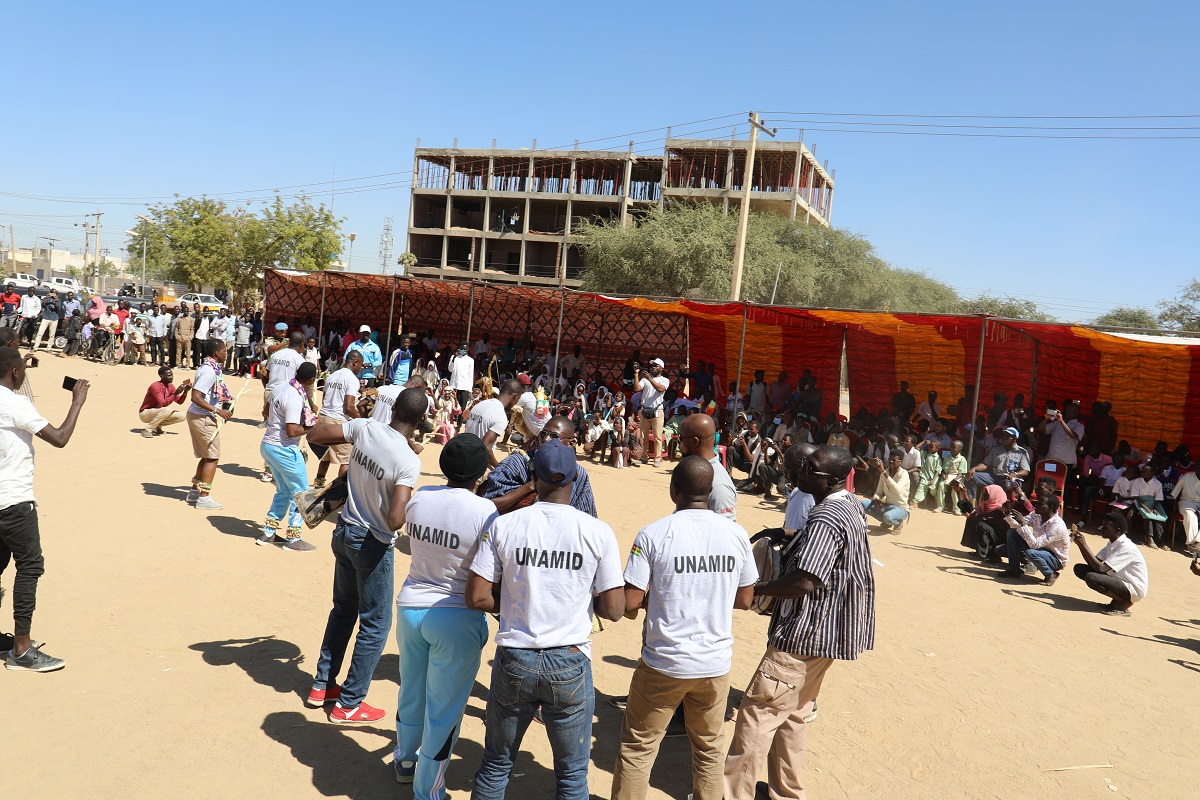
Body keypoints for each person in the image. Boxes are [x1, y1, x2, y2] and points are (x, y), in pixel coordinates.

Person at [465, 439, 626, 800]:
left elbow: (476, 596)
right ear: (575, 478)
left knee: (495, 765)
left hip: (514, 657)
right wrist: (584, 599)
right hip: (569, 659)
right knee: (571, 777)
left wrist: (515, 602)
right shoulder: (597, 532)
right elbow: (614, 609)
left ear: (533, 478)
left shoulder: (504, 525)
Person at [725, 445, 875, 800]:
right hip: (830, 634)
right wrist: (789, 535)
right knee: (793, 714)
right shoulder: (848, 504)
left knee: (758, 714)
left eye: (811, 466)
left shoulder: (825, 517)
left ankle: (731, 794)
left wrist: (756, 588)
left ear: (831, 478)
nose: (801, 468)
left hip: (804, 634)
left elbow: (805, 581)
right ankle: (785, 793)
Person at [610, 456, 757, 800]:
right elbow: (747, 599)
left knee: (638, 749)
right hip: (715, 666)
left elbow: (630, 601)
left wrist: (661, 596)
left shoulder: (653, 534)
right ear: (709, 492)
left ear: (674, 490)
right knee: (708, 750)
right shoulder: (736, 534)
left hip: (663, 663)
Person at [306, 386, 425, 723]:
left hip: (343, 529)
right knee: (375, 624)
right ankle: (349, 703)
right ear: (419, 421)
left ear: (394, 409)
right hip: (372, 543)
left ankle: (322, 686)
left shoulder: (366, 427)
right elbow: (394, 519)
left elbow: (317, 434)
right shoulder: (407, 460)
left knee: (343, 611)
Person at [392, 434, 496, 791]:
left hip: (410, 606)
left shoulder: (421, 497)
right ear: (481, 473)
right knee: (445, 710)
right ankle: (429, 790)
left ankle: (404, 759)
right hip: (454, 615)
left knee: (412, 690)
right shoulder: (485, 511)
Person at [0, 348, 88, 672]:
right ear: (13, 373)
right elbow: (60, 437)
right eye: (22, 366)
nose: (25, 370)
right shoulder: (15, 403)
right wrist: (77, 401)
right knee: (30, 566)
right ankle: (21, 649)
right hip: (13, 500)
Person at [480, 416, 597, 516]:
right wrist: (529, 487)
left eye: (554, 436)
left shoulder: (579, 474)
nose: (546, 439)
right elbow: (486, 507)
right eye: (543, 434)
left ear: (571, 443)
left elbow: (587, 515)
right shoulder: (516, 464)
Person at [258, 361, 318, 551]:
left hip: (269, 444)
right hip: (284, 448)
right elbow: (292, 431)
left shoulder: (282, 386)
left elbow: (265, 411)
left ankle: (268, 532)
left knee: (283, 490)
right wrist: (311, 426)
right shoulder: (294, 396)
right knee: (300, 492)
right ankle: (294, 538)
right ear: (311, 380)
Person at [185, 339, 233, 510]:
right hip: (202, 417)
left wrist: (224, 406)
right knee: (212, 456)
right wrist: (217, 410)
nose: (226, 354)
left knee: (206, 455)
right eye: (225, 351)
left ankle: (194, 492)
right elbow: (196, 397)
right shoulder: (209, 372)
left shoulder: (211, 368)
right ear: (216, 354)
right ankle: (204, 497)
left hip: (199, 416)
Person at [1070, 514, 1148, 617]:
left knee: (1091, 577)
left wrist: (1084, 545)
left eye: (1106, 528)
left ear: (1117, 531)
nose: (1102, 529)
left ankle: (1123, 602)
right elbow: (1094, 562)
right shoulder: (1112, 543)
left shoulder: (1126, 547)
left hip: (1133, 588)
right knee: (1080, 569)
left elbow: (1101, 568)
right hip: (1119, 581)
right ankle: (1117, 600)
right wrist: (1080, 545)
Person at [312, 350, 363, 489]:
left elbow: (324, 399)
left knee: (326, 453)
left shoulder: (332, 376)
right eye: (361, 365)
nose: (360, 369)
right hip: (338, 420)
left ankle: (319, 481)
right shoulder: (352, 379)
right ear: (355, 362)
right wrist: (363, 421)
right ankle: (339, 489)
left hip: (323, 417)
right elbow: (350, 407)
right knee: (346, 458)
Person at [998, 494, 1069, 585]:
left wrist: (1023, 524)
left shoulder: (1057, 526)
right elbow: (1017, 525)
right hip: (1039, 548)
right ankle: (1014, 570)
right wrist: (1008, 514)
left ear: (1050, 508)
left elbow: (1034, 544)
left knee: (1031, 552)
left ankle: (1050, 574)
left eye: (1040, 504)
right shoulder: (1036, 515)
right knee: (1012, 533)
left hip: (1055, 558)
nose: (1036, 506)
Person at [678, 413, 737, 520]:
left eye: (681, 438)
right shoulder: (693, 470)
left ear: (694, 442)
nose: (679, 444)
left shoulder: (719, 485)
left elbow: (726, 530)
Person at [464, 378, 522, 468]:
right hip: (477, 465)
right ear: (515, 396)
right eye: (517, 399)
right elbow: (485, 447)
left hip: (464, 457)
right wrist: (499, 467)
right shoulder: (500, 416)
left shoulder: (480, 405)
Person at [634, 358, 670, 466]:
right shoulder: (645, 379)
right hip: (645, 410)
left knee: (657, 436)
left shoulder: (664, 380)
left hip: (657, 410)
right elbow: (636, 389)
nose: (653, 367)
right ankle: (644, 457)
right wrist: (636, 374)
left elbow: (660, 389)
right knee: (643, 435)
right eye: (652, 365)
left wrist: (650, 378)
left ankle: (657, 458)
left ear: (661, 368)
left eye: (656, 365)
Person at [863, 450, 911, 531]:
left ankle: (898, 522)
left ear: (900, 462)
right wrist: (876, 499)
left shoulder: (904, 473)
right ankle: (887, 522)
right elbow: (878, 492)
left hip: (901, 508)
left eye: (894, 460)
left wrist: (884, 472)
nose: (890, 462)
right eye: (889, 459)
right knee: (861, 505)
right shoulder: (885, 473)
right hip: (887, 506)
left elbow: (897, 490)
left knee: (887, 516)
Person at [139, 366, 192, 437]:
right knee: (166, 410)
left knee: (183, 416)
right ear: (161, 376)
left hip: (159, 412)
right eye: (169, 375)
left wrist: (185, 392)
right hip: (145, 413)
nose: (172, 377)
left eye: (172, 375)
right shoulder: (155, 386)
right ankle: (148, 430)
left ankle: (157, 426)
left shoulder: (170, 386)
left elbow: (179, 402)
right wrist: (175, 393)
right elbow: (162, 403)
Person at [1172, 466, 1200, 555]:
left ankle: (1198, 542)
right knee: (1189, 514)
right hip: (1186, 501)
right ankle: (1191, 543)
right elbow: (1174, 493)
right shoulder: (1187, 476)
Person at [447, 341, 475, 415]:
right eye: (462, 348)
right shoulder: (454, 358)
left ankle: (459, 424)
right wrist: (454, 358)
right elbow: (450, 369)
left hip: (464, 386)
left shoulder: (470, 360)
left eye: (465, 349)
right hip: (454, 385)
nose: (463, 350)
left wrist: (470, 389)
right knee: (452, 404)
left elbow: (470, 375)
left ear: (468, 349)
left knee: (462, 407)